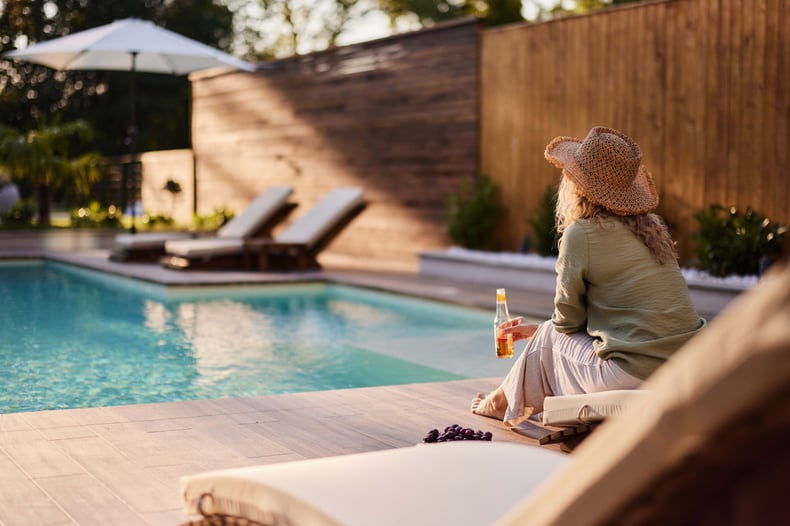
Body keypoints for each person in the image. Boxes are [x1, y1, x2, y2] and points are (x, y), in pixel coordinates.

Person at [471, 126, 706, 427]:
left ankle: (499, 402)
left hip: (631, 374)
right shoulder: (653, 229)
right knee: (544, 335)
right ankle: (504, 397)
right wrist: (534, 330)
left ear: (577, 184)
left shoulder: (582, 233)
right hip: (684, 365)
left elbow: (566, 323)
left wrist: (538, 331)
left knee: (547, 337)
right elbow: (628, 317)